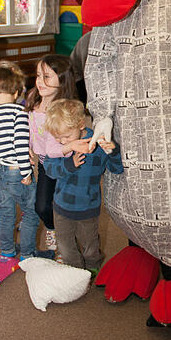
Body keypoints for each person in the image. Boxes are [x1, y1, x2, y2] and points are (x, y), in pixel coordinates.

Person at [0, 65, 54, 260]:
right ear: (18, 92)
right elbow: (20, 144)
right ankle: (27, 253)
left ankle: (7, 250)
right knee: (30, 211)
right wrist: (26, 172)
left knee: (5, 212)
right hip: (16, 170)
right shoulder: (19, 112)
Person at [42, 99, 123, 275]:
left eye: (66, 136)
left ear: (80, 124)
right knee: (64, 245)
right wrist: (68, 164)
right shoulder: (59, 147)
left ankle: (93, 266)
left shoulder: (98, 143)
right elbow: (49, 168)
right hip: (62, 206)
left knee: (90, 244)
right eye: (57, 138)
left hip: (88, 207)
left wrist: (114, 151)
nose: (62, 141)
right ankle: (75, 272)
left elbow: (116, 169)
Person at [26, 55, 81, 260]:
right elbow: (30, 130)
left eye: (47, 76)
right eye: (39, 75)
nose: (40, 81)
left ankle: (68, 245)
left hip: (63, 162)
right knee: (42, 206)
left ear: (62, 79)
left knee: (66, 206)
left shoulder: (65, 108)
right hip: (43, 163)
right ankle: (54, 231)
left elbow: (60, 143)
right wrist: (29, 148)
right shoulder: (34, 99)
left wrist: (71, 145)